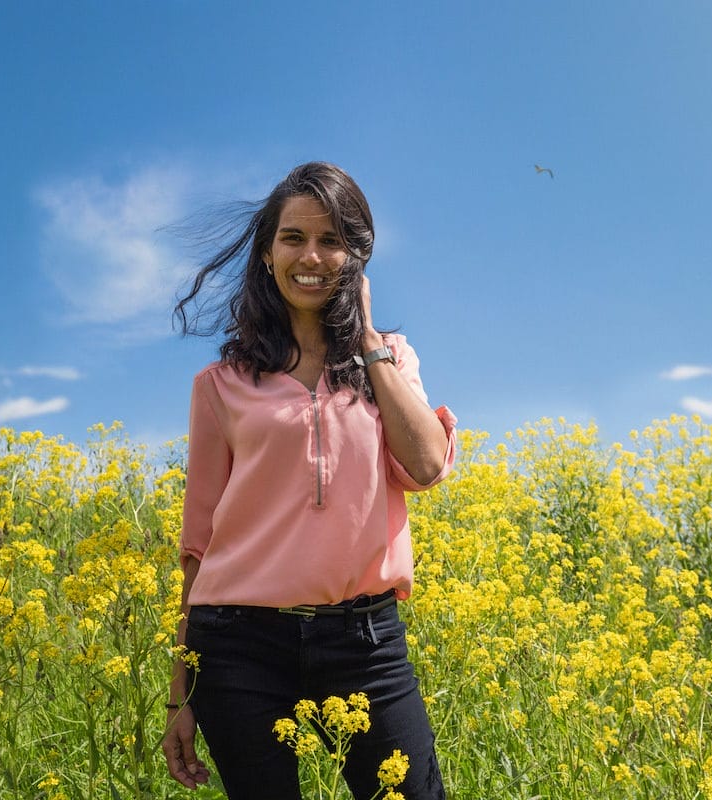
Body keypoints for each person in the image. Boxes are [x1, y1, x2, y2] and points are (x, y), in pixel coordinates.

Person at [163, 161, 456, 800]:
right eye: (294, 238)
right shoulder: (220, 386)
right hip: (238, 646)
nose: (311, 257)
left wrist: (370, 342)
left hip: (365, 643)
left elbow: (429, 465)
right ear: (267, 253)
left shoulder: (390, 359)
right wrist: (179, 695)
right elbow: (199, 547)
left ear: (356, 257)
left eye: (332, 241)